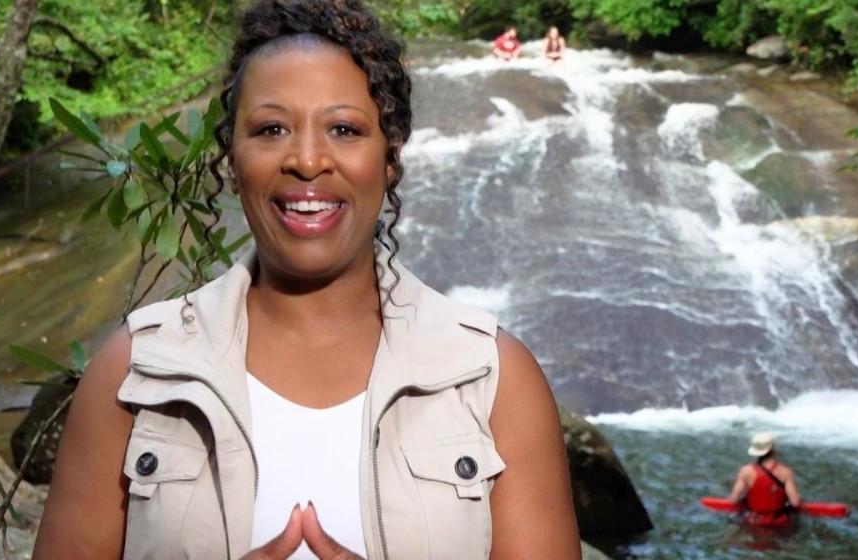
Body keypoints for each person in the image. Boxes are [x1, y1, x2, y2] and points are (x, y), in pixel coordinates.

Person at [33, 1, 580, 559]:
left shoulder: (492, 381)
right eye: (271, 129)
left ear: (390, 158)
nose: (308, 160)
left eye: (344, 129)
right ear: (232, 159)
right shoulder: (135, 373)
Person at [726, 432, 802, 527]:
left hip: (754, 522)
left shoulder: (745, 471)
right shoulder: (786, 472)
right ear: (773, 450)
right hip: (779, 523)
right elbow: (795, 502)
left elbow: (734, 499)